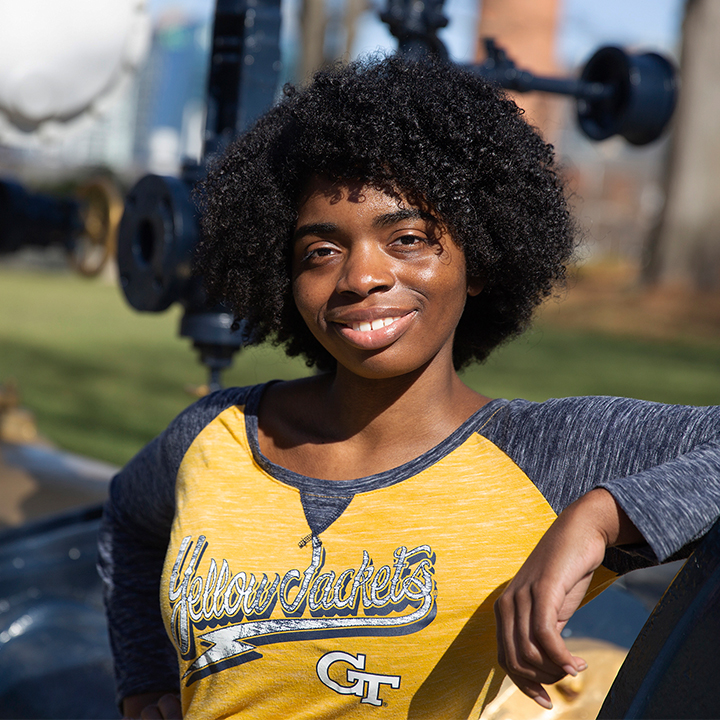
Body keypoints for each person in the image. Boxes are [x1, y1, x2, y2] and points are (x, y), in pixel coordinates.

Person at [98, 55, 720, 719]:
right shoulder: (212, 435)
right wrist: (145, 682)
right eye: (321, 250)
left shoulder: (550, 454)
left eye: (408, 237)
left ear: (478, 259)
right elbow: (129, 522)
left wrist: (599, 516)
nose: (360, 275)